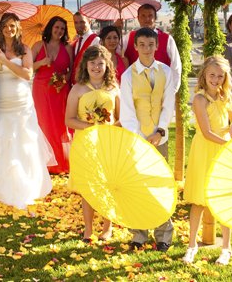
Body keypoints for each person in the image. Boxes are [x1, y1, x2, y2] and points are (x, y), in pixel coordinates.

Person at [0, 12, 54, 209]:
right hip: (1, 103)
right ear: (0, 28)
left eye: (12, 26)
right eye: (4, 26)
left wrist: (4, 61)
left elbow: (27, 74)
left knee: (24, 141)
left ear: (18, 28)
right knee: (1, 140)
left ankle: (26, 184)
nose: (8, 29)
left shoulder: (25, 49)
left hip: (21, 104)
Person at [119, 27, 177, 251]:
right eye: (141, 45)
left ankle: (163, 234)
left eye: (150, 45)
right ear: (135, 47)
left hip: (159, 138)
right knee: (138, 185)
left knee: (160, 184)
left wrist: (160, 131)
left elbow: (168, 104)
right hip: (138, 140)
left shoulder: (166, 72)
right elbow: (127, 112)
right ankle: (139, 234)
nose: (146, 49)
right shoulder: (127, 76)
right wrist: (139, 139)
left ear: (157, 46)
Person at [182, 55, 232, 266]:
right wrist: (228, 144)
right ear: (204, 75)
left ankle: (226, 248)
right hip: (205, 149)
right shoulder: (200, 99)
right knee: (199, 200)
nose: (215, 80)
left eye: (220, 76)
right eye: (212, 75)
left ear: (225, 78)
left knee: (223, 198)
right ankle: (192, 246)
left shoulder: (226, 96)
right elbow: (206, 132)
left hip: (223, 151)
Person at [65, 45, 120, 242]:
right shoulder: (77, 89)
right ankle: (88, 229)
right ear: (85, 65)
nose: (96, 67)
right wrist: (90, 125)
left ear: (107, 66)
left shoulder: (113, 89)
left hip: (108, 142)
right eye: (92, 63)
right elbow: (69, 120)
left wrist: (108, 126)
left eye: (100, 63)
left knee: (108, 184)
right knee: (88, 186)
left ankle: (107, 227)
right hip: (86, 143)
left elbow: (121, 118)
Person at [31, 15, 74, 173]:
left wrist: (63, 80)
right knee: (43, 123)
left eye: (62, 28)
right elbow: (28, 67)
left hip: (60, 91)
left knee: (60, 125)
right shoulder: (38, 46)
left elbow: (71, 70)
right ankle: (45, 163)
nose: (59, 31)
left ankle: (61, 162)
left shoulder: (67, 48)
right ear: (50, 28)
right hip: (41, 90)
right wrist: (42, 62)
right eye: (56, 27)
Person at [122, 1, 181, 82]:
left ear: (155, 18)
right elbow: (115, 55)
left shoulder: (167, 39)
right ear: (138, 18)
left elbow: (176, 66)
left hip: (161, 86)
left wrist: (173, 88)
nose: (147, 19)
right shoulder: (128, 37)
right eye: (143, 16)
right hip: (135, 86)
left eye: (150, 16)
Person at [71, 12, 100, 83]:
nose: (78, 25)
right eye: (76, 23)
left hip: (87, 83)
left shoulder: (96, 40)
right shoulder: (77, 42)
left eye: (82, 22)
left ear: (89, 22)